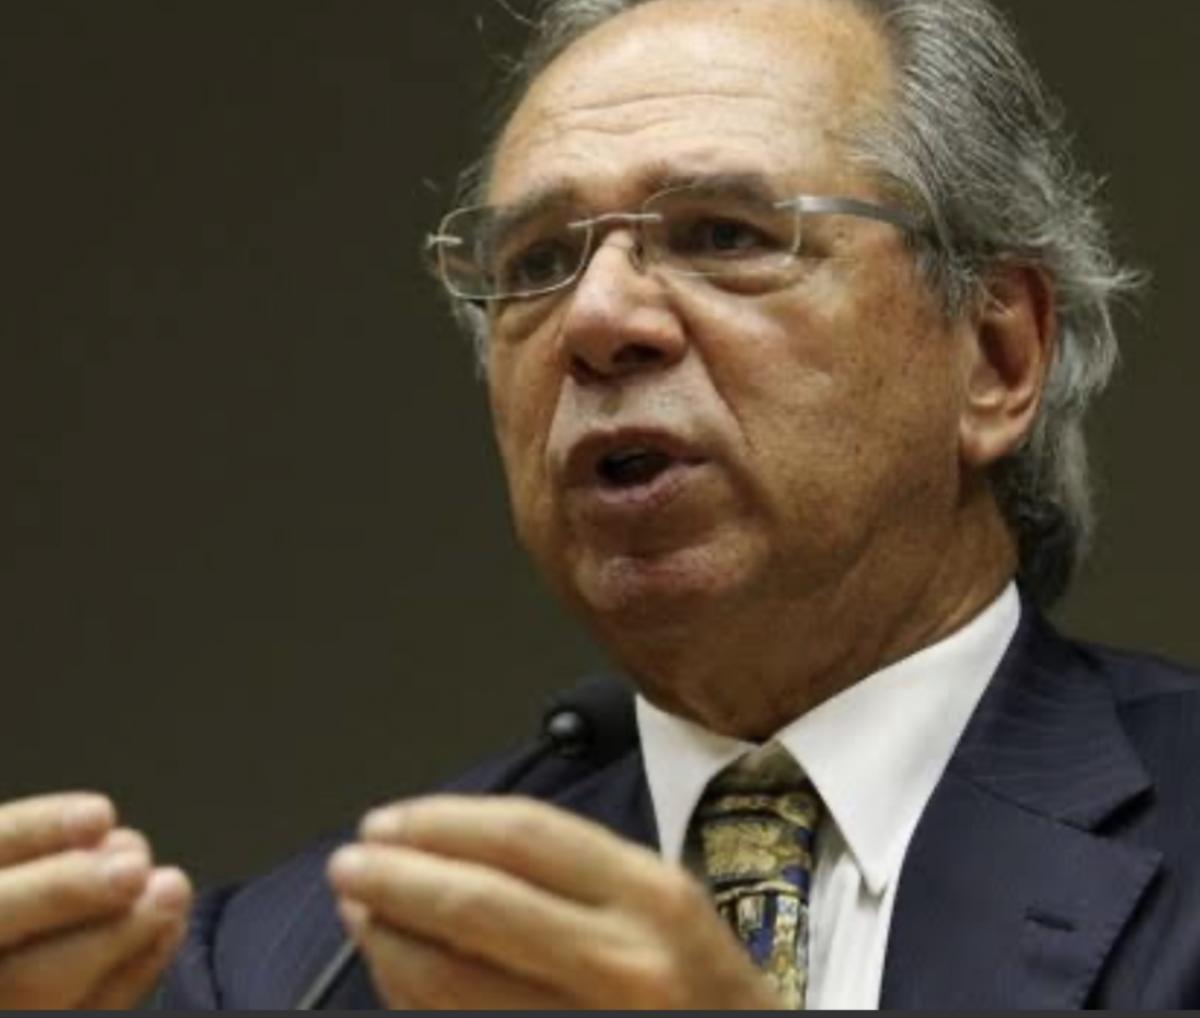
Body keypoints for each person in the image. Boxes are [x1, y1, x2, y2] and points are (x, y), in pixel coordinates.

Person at [151, 0, 1200, 1009]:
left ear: (996, 356)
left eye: (722, 236)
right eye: (540, 261)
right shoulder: (299, 968)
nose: (597, 317)